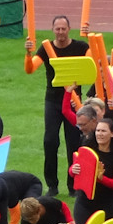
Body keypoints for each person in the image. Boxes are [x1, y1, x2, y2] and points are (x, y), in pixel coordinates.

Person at [25, 17, 89, 194]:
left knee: (74, 143)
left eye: (63, 29)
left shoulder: (81, 47)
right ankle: (52, 185)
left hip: (74, 102)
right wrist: (28, 53)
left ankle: (73, 185)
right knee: (50, 141)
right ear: (53, 30)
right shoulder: (47, 48)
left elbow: (93, 65)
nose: (60, 32)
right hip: (53, 101)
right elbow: (30, 69)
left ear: (70, 29)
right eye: (57, 29)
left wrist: (91, 38)